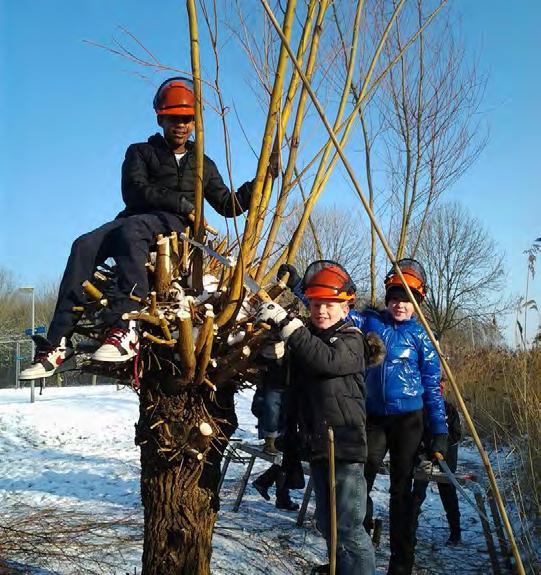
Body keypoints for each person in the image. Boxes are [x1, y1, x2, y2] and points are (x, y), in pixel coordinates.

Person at [20, 77, 261, 380]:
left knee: (132, 230)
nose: (181, 125)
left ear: (195, 122)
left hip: (171, 227)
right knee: (83, 244)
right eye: (174, 118)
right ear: (161, 118)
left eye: (187, 119)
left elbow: (228, 205)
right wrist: (183, 202)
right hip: (134, 217)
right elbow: (134, 190)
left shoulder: (203, 163)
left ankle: (125, 325)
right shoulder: (140, 152)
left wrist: (261, 183)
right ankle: (57, 342)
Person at [279, 258, 448, 575]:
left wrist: (438, 429)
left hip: (409, 419)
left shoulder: (422, 338)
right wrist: (299, 284)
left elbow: (432, 386)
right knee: (360, 483)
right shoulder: (371, 323)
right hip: (372, 418)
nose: (400, 305)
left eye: (407, 300)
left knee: (402, 491)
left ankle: (400, 563)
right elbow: (331, 306)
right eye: (395, 298)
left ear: (418, 304)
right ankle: (353, 549)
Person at [256, 261, 377, 575]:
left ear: (345, 307)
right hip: (320, 444)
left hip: (345, 445)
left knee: (349, 527)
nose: (321, 310)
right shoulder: (311, 338)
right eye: (315, 304)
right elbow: (291, 377)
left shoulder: (352, 340)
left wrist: (290, 326)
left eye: (329, 305)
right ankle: (339, 568)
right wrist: (276, 352)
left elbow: (325, 362)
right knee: (327, 522)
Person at [412, 379, 462, 546]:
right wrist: (425, 448)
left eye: (441, 385)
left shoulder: (449, 409)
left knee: (448, 493)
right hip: (424, 455)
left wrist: (441, 447)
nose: (439, 388)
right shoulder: (420, 409)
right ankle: (410, 530)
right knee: (417, 493)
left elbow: (456, 435)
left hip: (445, 457)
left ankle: (455, 533)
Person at [251, 341, 299, 511]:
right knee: (291, 454)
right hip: (278, 419)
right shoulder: (273, 351)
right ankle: (272, 488)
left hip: (288, 409)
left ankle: (271, 487)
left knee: (291, 453)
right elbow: (260, 407)